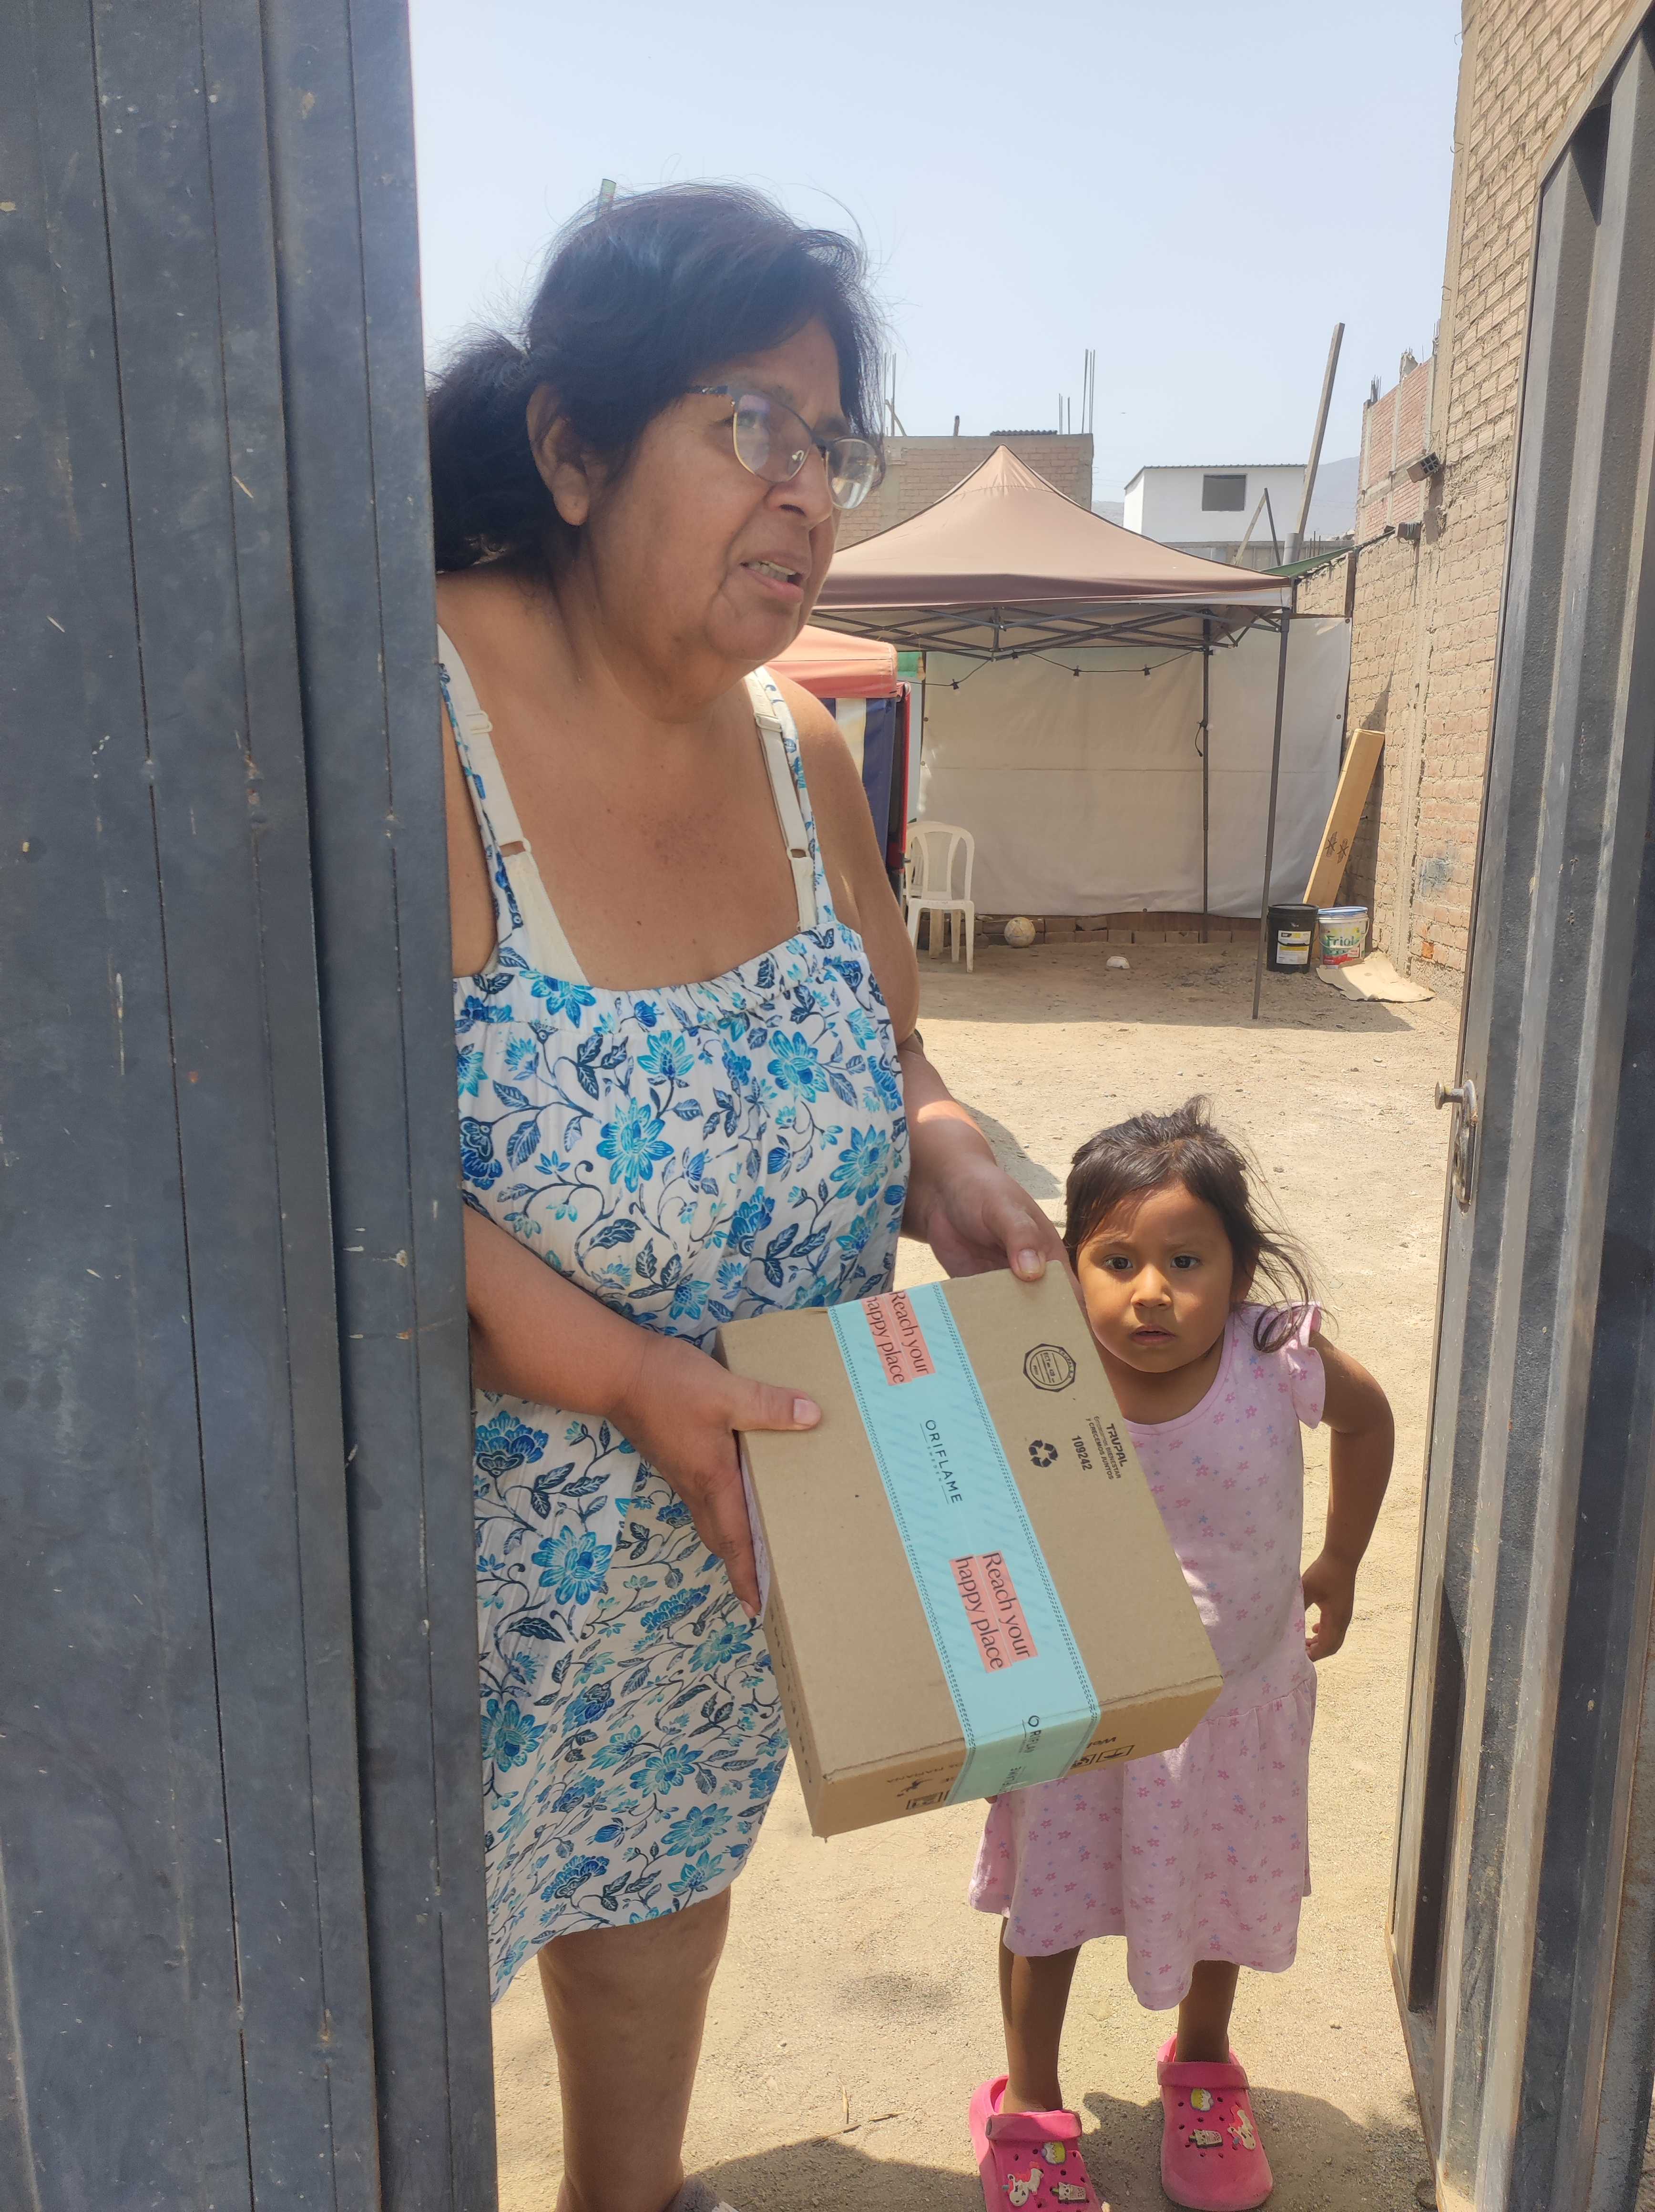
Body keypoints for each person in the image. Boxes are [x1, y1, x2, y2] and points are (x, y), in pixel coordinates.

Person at [429, 184, 1067, 2212]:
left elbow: (895, 1047)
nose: (804, 493)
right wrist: (622, 1372)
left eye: (831, 444)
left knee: (654, 1892)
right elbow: (309, 1175)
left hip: (723, 1554)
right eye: (748, 424)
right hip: (444, 1590)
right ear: (571, 450)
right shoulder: (411, 728)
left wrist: (940, 1137)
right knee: (379, 2007)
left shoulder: (800, 754)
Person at [967, 1099, 1393, 2212]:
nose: (1148, 1290)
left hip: (1234, 1711)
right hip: (1081, 1720)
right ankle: (1028, 2107)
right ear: (1068, 1267)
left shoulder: (1273, 1355)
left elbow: (1369, 1418)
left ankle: (1202, 2065)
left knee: (1223, 1889)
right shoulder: (1042, 1370)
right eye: (1116, 1261)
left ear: (1239, 1270)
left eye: (1184, 1261)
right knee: (1046, 1913)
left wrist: (1339, 1557)